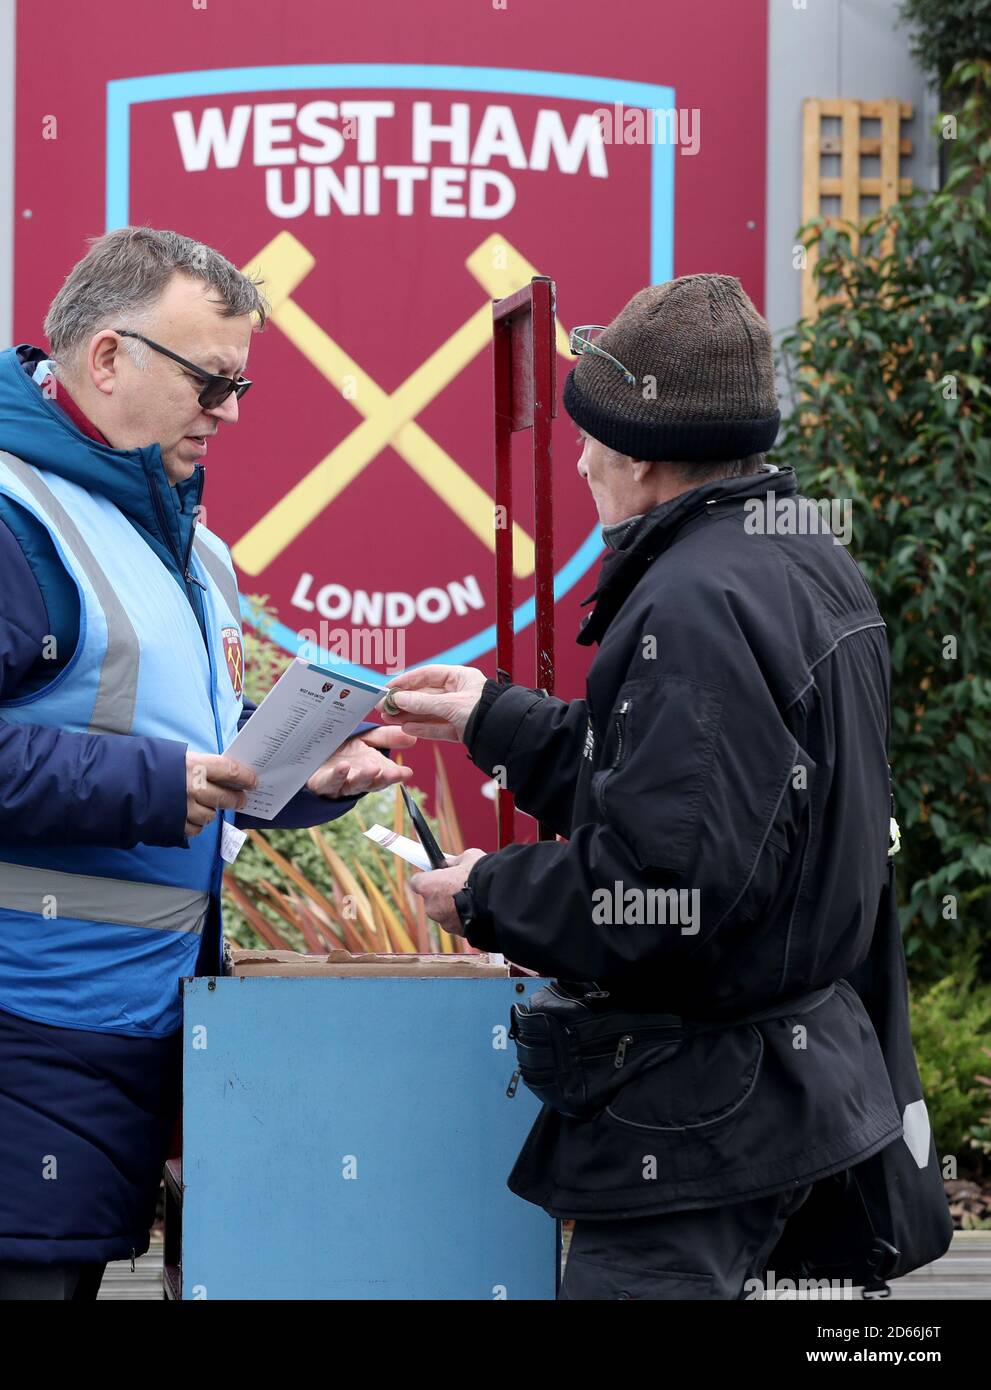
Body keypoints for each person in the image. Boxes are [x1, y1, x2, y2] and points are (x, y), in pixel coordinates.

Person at [0, 227, 414, 1300]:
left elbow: (137, 737)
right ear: (109, 359)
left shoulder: (166, 534)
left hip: (60, 1040)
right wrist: (153, 790)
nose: (231, 409)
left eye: (242, 382)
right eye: (211, 380)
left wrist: (293, 772)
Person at [383, 273, 904, 1300]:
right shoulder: (792, 554)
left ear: (646, 454)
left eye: (594, 438)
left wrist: (485, 895)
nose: (578, 460)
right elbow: (705, 792)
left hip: (706, 1112)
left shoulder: (698, 602)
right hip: (794, 1076)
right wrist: (493, 717)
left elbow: (671, 891)